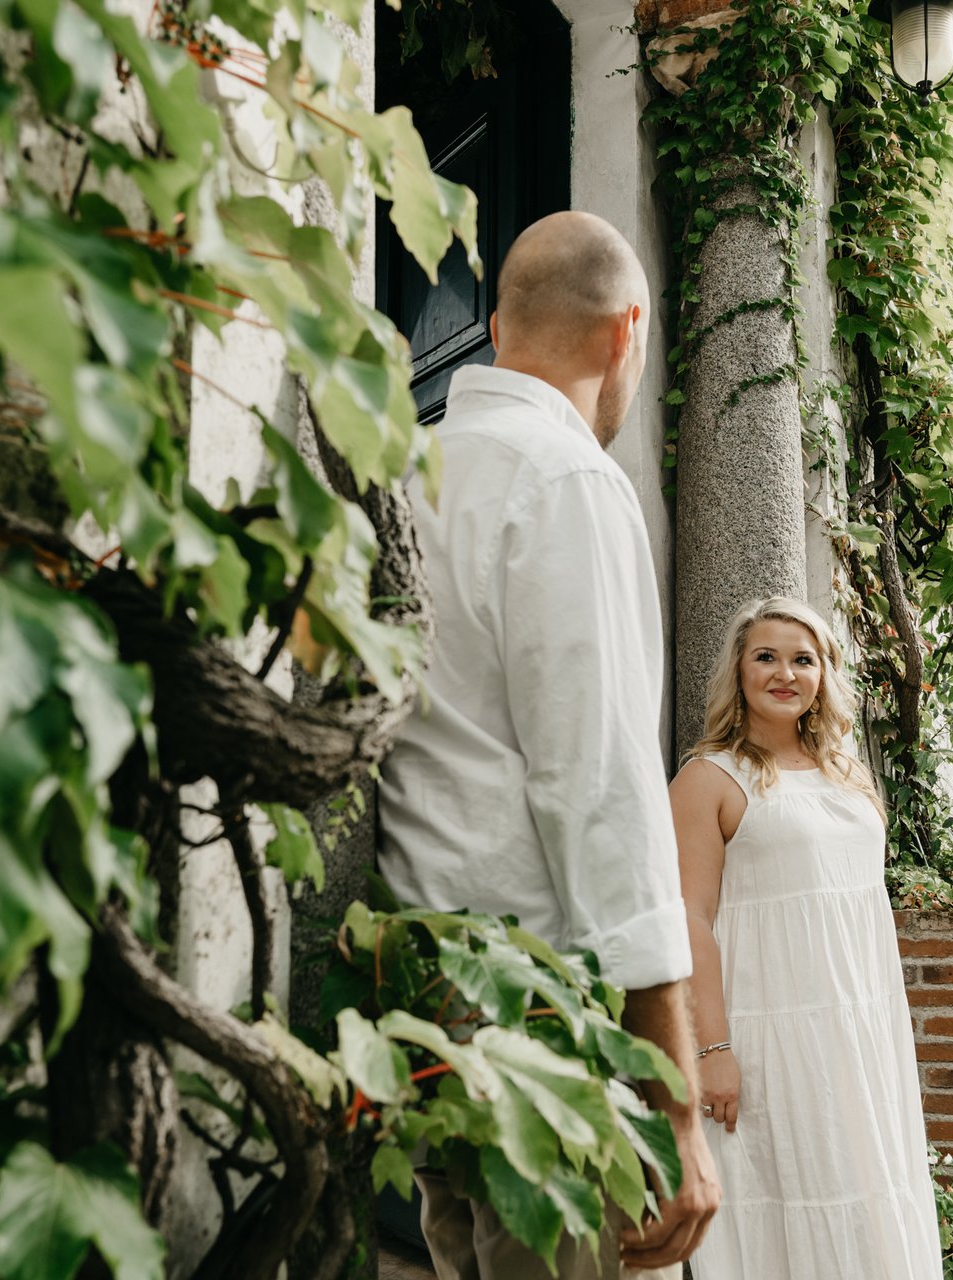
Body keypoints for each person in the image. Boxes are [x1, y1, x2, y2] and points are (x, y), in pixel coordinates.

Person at [378, 211, 719, 1279]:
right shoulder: (566, 480)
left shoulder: (412, 470)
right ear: (628, 332)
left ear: (493, 328)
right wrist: (675, 1103)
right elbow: (601, 792)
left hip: (423, 998)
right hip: (540, 1023)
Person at [671, 597, 943, 1280]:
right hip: (769, 1034)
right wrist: (712, 1050)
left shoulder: (844, 771)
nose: (784, 673)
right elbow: (690, 919)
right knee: (788, 1192)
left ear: (824, 673)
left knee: (871, 1190)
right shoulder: (708, 778)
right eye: (766, 656)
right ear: (738, 670)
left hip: (861, 1028)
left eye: (803, 659)